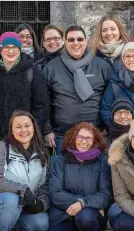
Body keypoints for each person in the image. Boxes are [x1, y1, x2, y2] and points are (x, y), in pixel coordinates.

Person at [43, 25, 113, 155]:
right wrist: (47, 131)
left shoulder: (102, 66)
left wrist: (107, 128)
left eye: (80, 39)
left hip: (96, 135)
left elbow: (111, 99)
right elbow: (43, 102)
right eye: (71, 40)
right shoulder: (51, 68)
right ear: (64, 42)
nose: (76, 43)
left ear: (86, 40)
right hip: (62, 136)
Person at [48, 122, 112, 231]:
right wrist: (79, 202)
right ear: (73, 138)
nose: (84, 141)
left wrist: (83, 203)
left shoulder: (102, 161)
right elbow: (54, 192)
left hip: (88, 214)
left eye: (88, 138)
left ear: (95, 140)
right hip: (62, 214)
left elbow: (105, 194)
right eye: (80, 137)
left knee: (86, 218)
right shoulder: (60, 160)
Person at [0, 32, 49, 147]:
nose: (11, 51)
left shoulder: (32, 73)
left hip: (25, 138)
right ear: (0, 50)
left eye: (14, 47)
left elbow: (41, 106)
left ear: (20, 49)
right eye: (6, 47)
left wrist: (33, 131)